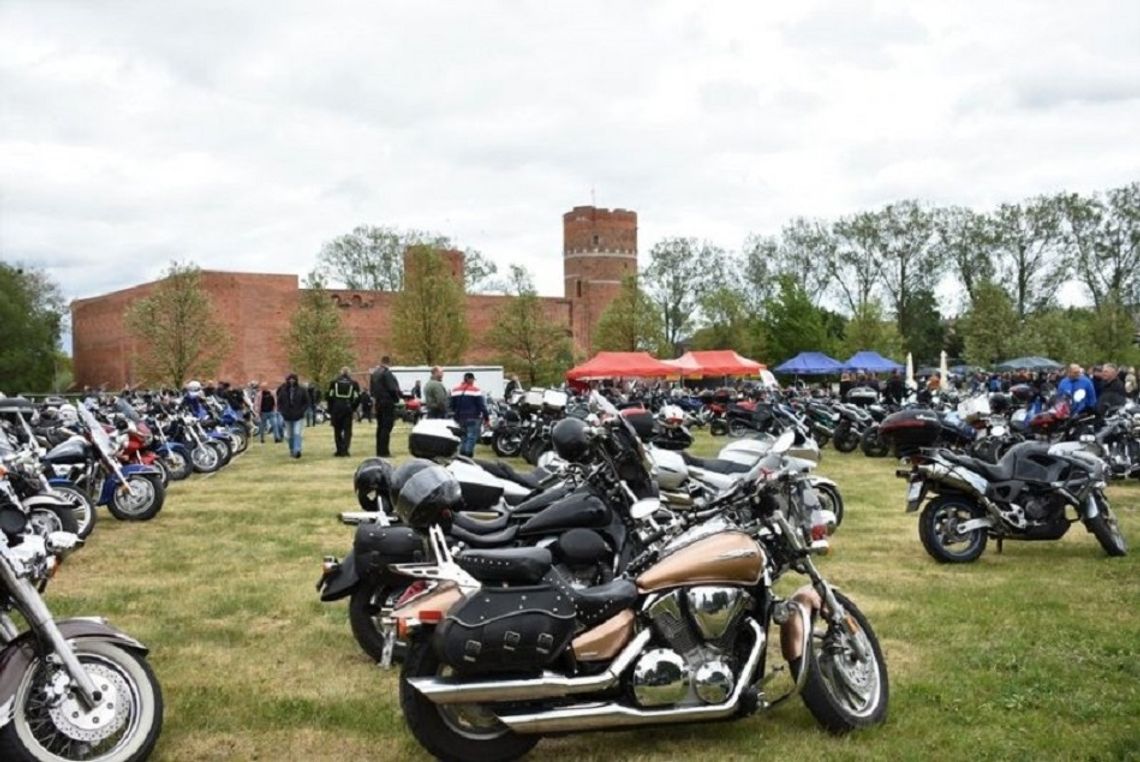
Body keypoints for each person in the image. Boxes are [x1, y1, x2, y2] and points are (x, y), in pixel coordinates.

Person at [450, 372, 488, 457]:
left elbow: (451, 405)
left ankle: (461, 455)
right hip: (473, 417)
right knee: (471, 436)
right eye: (473, 380)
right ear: (470, 380)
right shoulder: (475, 390)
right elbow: (481, 406)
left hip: (460, 418)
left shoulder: (455, 390)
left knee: (463, 436)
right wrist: (486, 417)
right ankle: (467, 455)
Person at [370, 356, 401, 457]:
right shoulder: (386, 373)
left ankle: (379, 450)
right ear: (388, 362)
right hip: (387, 402)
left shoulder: (374, 373)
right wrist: (397, 398)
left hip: (378, 402)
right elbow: (392, 389)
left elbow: (372, 390)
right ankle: (384, 451)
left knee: (380, 427)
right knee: (387, 427)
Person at [327, 367, 361, 457]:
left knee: (337, 430)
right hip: (347, 407)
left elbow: (329, 396)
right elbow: (357, 397)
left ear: (340, 373)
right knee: (347, 430)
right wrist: (353, 408)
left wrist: (330, 409)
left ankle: (339, 450)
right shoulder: (353, 383)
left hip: (336, 408)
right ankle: (345, 450)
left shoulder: (334, 383)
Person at [277, 373, 309, 458]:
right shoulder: (283, 390)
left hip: (298, 416)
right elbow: (279, 402)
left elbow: (306, 402)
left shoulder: (302, 390)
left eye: (293, 379)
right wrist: (282, 411)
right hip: (287, 416)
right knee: (290, 435)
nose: (291, 381)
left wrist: (302, 411)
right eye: (290, 380)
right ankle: (291, 449)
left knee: (297, 433)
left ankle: (297, 450)